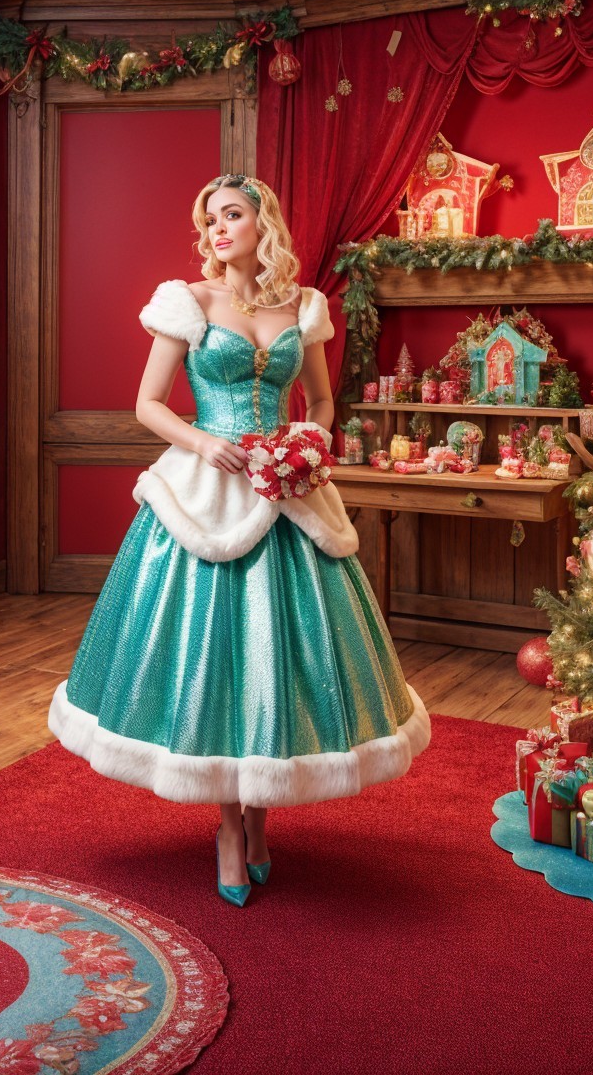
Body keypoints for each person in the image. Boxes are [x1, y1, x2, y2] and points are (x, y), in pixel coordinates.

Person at [47, 174, 430, 908]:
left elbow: (319, 399)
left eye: (232, 215)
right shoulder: (186, 303)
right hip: (208, 485)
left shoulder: (303, 307)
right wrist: (204, 443)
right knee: (219, 659)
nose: (218, 229)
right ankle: (228, 829)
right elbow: (146, 405)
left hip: (288, 489)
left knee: (279, 661)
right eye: (209, 219)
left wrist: (306, 443)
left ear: (264, 224)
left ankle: (261, 819)